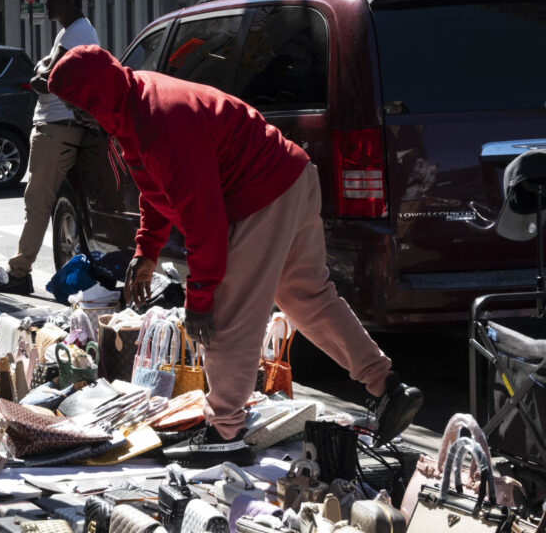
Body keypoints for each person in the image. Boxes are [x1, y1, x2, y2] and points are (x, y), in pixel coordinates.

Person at [47, 45, 424, 468]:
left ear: (97, 98)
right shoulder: (135, 106)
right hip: (291, 176)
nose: (78, 118)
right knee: (308, 299)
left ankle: (225, 430)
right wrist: (146, 249)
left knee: (226, 314)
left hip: (261, 192)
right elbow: (158, 188)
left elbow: (203, 218)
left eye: (79, 107)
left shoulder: (160, 120)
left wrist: (201, 297)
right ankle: (386, 383)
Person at [0, 0, 99, 295]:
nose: (47, 2)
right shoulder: (70, 32)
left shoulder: (79, 32)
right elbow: (43, 74)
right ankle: (23, 270)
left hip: (56, 130)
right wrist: (43, 71)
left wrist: (44, 71)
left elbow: (46, 79)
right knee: (44, 203)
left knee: (37, 204)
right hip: (56, 129)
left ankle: (19, 272)